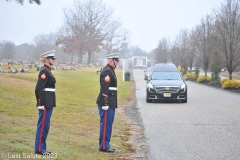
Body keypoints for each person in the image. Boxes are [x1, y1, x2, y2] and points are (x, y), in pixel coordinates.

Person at [96, 52, 120, 153]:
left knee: (108, 124)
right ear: (111, 60)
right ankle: (104, 146)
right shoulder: (107, 71)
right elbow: (104, 89)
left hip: (111, 102)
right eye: (116, 61)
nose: (118, 63)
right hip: (107, 103)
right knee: (106, 124)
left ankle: (106, 144)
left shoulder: (110, 70)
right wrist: (105, 104)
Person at [34, 50, 57, 155]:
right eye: (52, 58)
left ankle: (42, 147)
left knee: (45, 126)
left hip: (49, 101)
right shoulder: (44, 71)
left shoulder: (48, 70)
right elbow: (39, 88)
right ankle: (39, 148)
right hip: (45, 103)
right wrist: (40, 103)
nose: (54, 60)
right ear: (47, 60)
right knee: (43, 125)